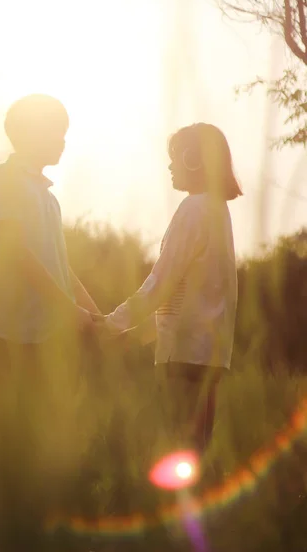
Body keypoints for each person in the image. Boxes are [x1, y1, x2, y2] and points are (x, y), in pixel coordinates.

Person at [0, 94, 102, 545]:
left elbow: (58, 264)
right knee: (18, 445)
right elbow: (19, 254)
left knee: (52, 436)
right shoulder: (5, 180)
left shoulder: (46, 196)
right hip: (16, 335)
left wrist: (89, 310)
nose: (64, 142)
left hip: (50, 337)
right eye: (57, 132)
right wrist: (66, 309)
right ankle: (15, 532)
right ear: (30, 134)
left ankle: (47, 526)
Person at [104, 122, 242, 456]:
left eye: (175, 157)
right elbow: (193, 297)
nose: (170, 165)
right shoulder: (216, 210)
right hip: (206, 357)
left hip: (182, 360)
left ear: (194, 159)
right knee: (196, 453)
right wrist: (139, 335)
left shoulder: (193, 209)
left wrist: (112, 323)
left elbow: (161, 283)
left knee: (178, 453)